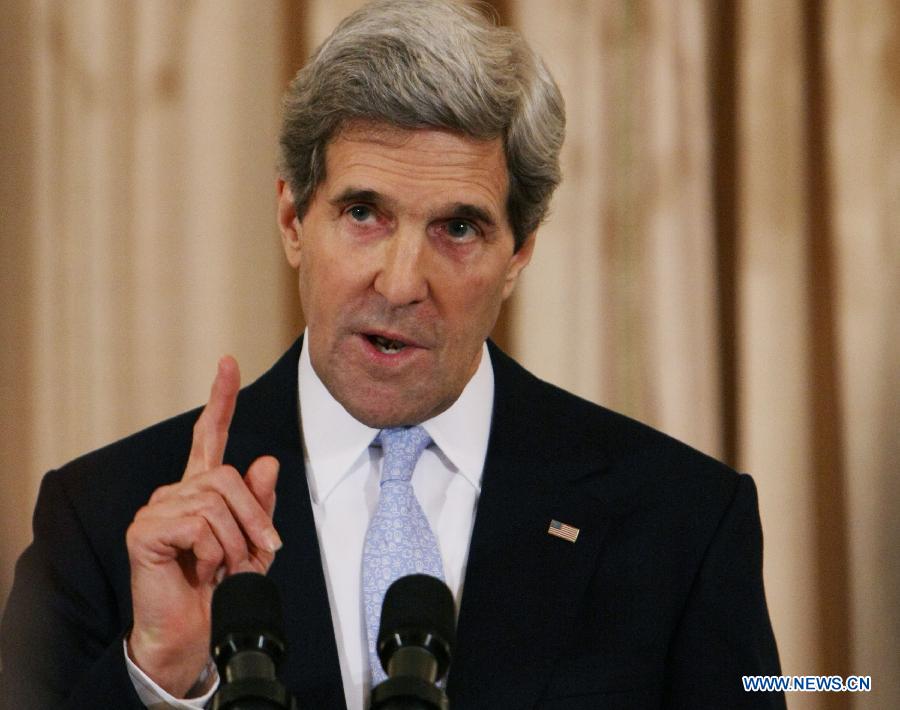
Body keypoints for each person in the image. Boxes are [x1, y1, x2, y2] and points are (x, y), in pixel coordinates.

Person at [0, 1, 785, 708]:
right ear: (291, 219)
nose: (403, 281)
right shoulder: (106, 520)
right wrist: (157, 674)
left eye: (460, 228)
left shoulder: (679, 520)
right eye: (365, 212)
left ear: (520, 254)